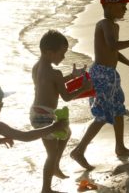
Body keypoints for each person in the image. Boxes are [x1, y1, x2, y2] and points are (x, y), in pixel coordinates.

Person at [70, 0, 129, 170]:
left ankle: (120, 147)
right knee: (102, 115)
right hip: (101, 75)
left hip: (111, 75)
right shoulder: (104, 24)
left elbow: (114, 53)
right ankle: (79, 150)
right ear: (110, 5)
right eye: (123, 5)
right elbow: (113, 45)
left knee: (119, 110)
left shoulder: (114, 25)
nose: (125, 9)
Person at [30, 30, 93, 193]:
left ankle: (55, 165)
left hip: (36, 112)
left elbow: (52, 84)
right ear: (50, 53)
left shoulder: (36, 67)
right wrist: (83, 87)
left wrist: (72, 76)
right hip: (45, 115)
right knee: (50, 153)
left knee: (66, 132)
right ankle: (46, 188)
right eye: (62, 53)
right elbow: (65, 96)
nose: (63, 57)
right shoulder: (55, 73)